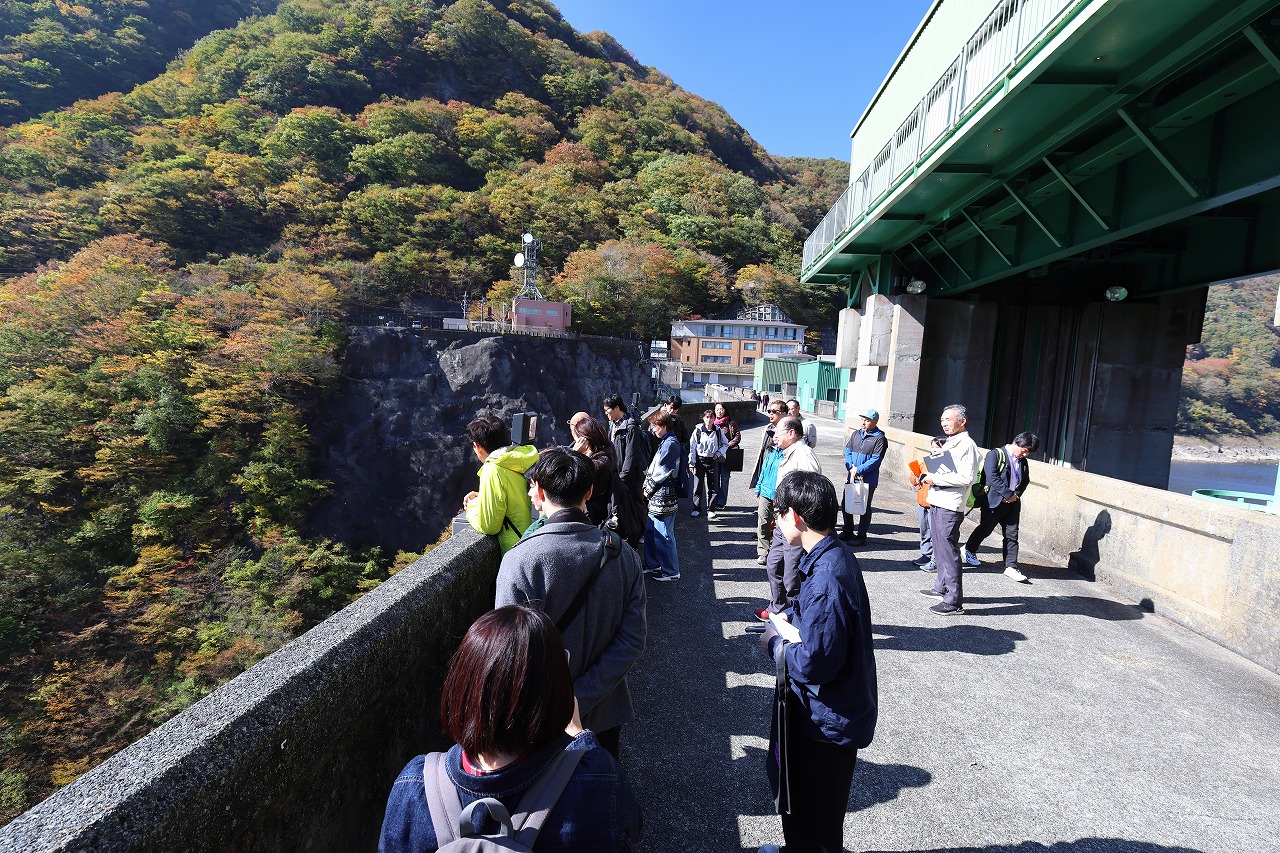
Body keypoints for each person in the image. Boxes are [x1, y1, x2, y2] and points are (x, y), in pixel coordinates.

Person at [378, 605, 642, 852]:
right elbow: (629, 829)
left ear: (463, 687)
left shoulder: (416, 784)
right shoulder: (596, 778)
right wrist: (580, 738)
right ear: (555, 689)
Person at [496, 448, 647, 759]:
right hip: (605, 709)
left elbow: (509, 651)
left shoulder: (520, 560)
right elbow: (632, 640)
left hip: (542, 713)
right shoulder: (623, 555)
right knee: (599, 781)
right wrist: (583, 695)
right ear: (589, 492)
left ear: (539, 491)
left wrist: (562, 701)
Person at [757, 471, 877, 853]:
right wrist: (791, 617)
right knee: (810, 809)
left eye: (779, 515)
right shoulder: (834, 554)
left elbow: (815, 663)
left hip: (825, 720)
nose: (776, 523)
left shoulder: (826, 577)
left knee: (813, 814)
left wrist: (774, 642)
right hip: (831, 712)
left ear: (795, 516)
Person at [756, 417, 822, 620]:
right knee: (774, 564)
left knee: (792, 573)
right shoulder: (786, 452)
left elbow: (813, 492)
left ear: (791, 433)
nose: (774, 436)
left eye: (778, 432)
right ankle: (777, 607)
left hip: (796, 524)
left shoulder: (803, 454)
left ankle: (794, 616)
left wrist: (799, 519)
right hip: (783, 522)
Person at [919, 405, 981, 615]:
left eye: (948, 419)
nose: (944, 423)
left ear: (962, 421)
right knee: (938, 547)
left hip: (950, 503)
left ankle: (953, 601)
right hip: (938, 499)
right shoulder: (951, 442)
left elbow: (966, 477)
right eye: (942, 419)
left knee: (948, 550)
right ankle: (941, 587)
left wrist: (935, 478)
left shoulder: (967, 445)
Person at [964, 431, 1040, 583]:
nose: (1025, 454)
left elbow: (1025, 480)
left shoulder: (1023, 462)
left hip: (1013, 504)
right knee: (985, 528)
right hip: (993, 501)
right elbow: (992, 477)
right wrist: (1007, 494)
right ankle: (969, 549)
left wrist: (1016, 495)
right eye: (1024, 450)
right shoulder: (995, 454)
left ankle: (1011, 566)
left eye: (1028, 453)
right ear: (1016, 443)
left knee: (1012, 535)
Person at [463, 415, 538, 552]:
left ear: (478, 446)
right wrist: (484, 497)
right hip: (536, 538)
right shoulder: (522, 457)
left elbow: (489, 525)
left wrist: (472, 507)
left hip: (518, 547)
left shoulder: (492, 469)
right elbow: (516, 494)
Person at [641, 410, 682, 582]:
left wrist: (647, 488)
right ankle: (653, 563)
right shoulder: (667, 441)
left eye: (655, 426)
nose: (653, 430)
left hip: (664, 495)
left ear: (664, 426)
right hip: (659, 495)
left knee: (663, 533)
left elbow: (661, 472)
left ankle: (671, 570)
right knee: (652, 530)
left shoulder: (670, 444)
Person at [750, 401, 788, 566]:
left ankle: (780, 553)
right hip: (766, 490)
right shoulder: (771, 448)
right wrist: (758, 486)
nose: (770, 414)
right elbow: (764, 468)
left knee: (781, 525)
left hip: (781, 492)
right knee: (763, 521)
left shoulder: (789, 450)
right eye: (769, 411)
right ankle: (763, 552)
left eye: (774, 411)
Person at [841, 409, 886, 546]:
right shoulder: (856, 434)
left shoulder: (880, 439)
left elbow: (875, 460)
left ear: (875, 422)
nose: (863, 422)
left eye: (867, 420)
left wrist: (859, 470)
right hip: (852, 475)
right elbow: (848, 450)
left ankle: (861, 536)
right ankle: (848, 530)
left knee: (864, 506)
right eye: (862, 419)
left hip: (868, 479)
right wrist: (850, 467)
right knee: (846, 503)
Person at [570, 415, 616, 528]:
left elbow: (568, 477)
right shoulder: (605, 451)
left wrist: (575, 454)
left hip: (593, 518)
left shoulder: (597, 465)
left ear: (584, 441)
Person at [602, 394, 650, 499]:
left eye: (607, 409)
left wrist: (622, 479)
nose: (605, 413)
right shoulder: (612, 425)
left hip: (629, 480)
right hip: (616, 474)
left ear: (617, 408)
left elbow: (631, 456)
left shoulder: (631, 428)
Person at [687, 408, 727, 519]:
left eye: (711, 418)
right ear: (703, 418)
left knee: (713, 486)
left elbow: (725, 444)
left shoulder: (718, 430)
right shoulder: (698, 430)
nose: (709, 420)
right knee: (697, 485)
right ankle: (696, 508)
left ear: (714, 419)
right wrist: (692, 463)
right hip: (700, 460)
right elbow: (692, 447)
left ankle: (711, 509)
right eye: (707, 417)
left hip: (712, 460)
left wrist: (718, 453)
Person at [711, 402, 741, 512]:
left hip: (727, 455)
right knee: (714, 479)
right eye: (717, 409)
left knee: (724, 479)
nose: (719, 411)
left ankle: (721, 502)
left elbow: (737, 436)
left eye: (721, 409)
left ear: (725, 410)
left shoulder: (730, 423)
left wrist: (729, 444)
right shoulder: (711, 422)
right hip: (714, 455)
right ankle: (713, 501)